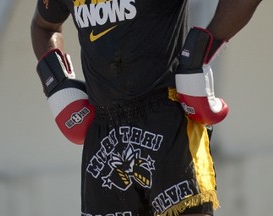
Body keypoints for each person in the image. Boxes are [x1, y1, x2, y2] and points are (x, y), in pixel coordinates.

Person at [31, 0, 262, 215]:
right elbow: (44, 26)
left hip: (167, 118)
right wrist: (57, 83)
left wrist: (201, 50)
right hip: (104, 132)